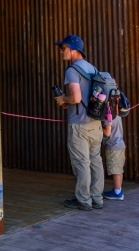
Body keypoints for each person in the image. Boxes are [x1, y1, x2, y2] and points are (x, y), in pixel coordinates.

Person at [54, 34, 104, 211]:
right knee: (95, 160)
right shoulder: (93, 69)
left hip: (79, 124)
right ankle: (97, 198)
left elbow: (76, 97)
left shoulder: (72, 70)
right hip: (95, 123)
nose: (61, 52)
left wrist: (63, 99)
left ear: (72, 49)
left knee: (81, 162)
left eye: (63, 48)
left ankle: (84, 200)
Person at [102, 115, 126, 200]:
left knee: (115, 170)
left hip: (113, 146)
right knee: (119, 169)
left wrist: (97, 128)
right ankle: (118, 189)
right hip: (120, 145)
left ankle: (117, 193)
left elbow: (107, 133)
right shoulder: (118, 115)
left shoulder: (108, 116)